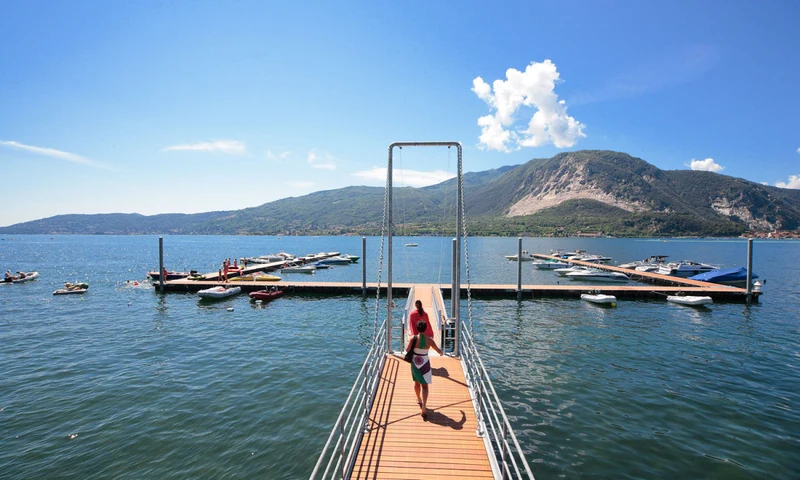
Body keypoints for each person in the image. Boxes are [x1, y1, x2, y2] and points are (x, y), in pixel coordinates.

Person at [406, 319, 443, 419]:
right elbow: (438, 350)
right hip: (425, 363)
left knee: (416, 383)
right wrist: (441, 353)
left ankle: (419, 399)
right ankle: (424, 406)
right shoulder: (429, 340)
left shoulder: (413, 338)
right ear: (426, 328)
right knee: (425, 386)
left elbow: (407, 349)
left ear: (417, 328)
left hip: (415, 363)